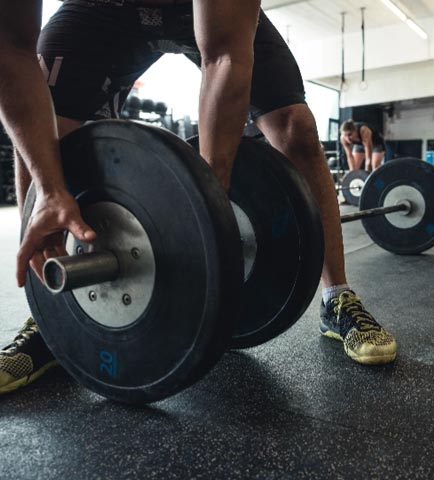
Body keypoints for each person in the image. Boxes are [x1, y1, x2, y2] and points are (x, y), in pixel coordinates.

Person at [0, 0, 397, 395]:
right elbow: (12, 52)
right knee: (44, 129)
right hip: (101, 8)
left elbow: (225, 55)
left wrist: (209, 207)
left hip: (202, 11)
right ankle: (48, 311)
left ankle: (336, 299)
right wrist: (49, 189)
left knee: (295, 126)